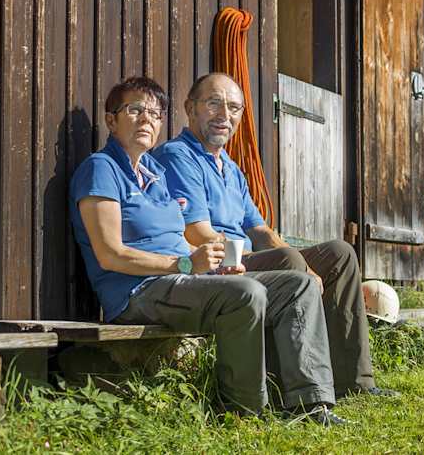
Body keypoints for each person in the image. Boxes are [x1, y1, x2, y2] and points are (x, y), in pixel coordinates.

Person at [68, 76, 347, 424]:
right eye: (135, 110)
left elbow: (180, 239)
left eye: (155, 114)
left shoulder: (154, 172)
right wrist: (185, 264)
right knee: (246, 294)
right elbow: (110, 254)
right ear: (112, 120)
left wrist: (215, 267)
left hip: (178, 278)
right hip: (137, 290)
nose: (146, 120)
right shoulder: (101, 169)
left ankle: (311, 405)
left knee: (298, 285)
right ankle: (243, 412)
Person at [153, 72, 396, 399]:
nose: (225, 115)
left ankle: (354, 382)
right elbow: (197, 232)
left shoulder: (230, 168)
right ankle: (288, 383)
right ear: (190, 108)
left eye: (234, 108)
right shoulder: (178, 155)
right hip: (217, 267)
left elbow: (262, 231)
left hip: (249, 259)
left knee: (339, 254)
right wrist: (296, 264)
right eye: (214, 104)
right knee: (288, 259)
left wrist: (310, 266)